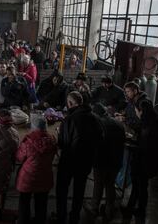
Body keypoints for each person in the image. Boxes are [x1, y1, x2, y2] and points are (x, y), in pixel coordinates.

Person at [56, 91, 103, 224]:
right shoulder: (95, 118)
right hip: (86, 161)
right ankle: (74, 217)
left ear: (70, 103)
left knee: (62, 189)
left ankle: (61, 216)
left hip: (68, 161)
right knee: (79, 190)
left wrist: (60, 133)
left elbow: (62, 143)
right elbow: (101, 138)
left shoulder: (69, 119)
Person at [121, 99, 158, 221]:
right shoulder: (154, 120)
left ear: (141, 111)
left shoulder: (149, 127)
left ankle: (139, 211)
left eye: (136, 111)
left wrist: (130, 145)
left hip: (144, 163)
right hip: (150, 162)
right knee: (138, 187)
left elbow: (144, 147)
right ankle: (132, 209)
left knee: (140, 187)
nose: (136, 113)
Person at [84, 103, 125, 220]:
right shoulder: (118, 123)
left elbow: (93, 143)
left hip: (101, 160)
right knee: (110, 184)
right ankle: (109, 210)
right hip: (116, 160)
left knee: (98, 184)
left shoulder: (97, 124)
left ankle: (94, 209)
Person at [16, 115, 57, 224]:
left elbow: (20, 158)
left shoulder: (27, 141)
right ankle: (40, 220)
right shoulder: (52, 141)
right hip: (45, 176)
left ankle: (23, 220)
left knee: (24, 200)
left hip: (27, 177)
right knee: (42, 202)